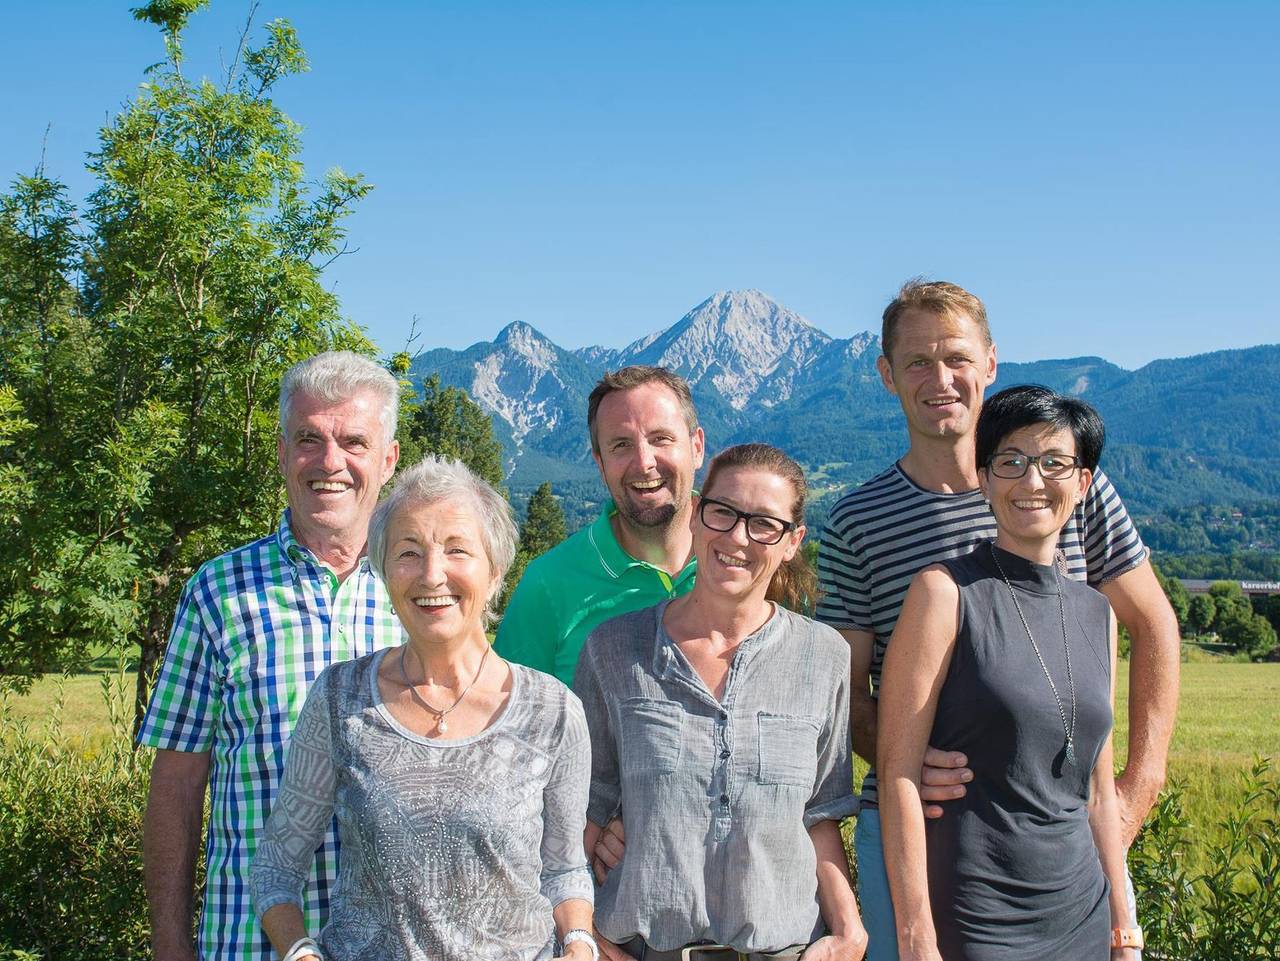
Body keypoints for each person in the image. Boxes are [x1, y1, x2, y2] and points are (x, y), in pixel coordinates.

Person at [816, 280, 1178, 960]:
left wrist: (1138, 786)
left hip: (1054, 838)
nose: (940, 379)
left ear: (989, 363)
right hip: (918, 827)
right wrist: (902, 757)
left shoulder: (1071, 488)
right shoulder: (856, 521)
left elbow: (1152, 625)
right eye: (918, 362)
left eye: (957, 357)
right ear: (887, 375)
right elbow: (842, 688)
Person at [250, 457, 596, 961]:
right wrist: (300, 952)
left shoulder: (553, 711)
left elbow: (564, 870)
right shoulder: (340, 699)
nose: (432, 575)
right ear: (384, 572)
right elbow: (275, 869)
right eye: (408, 553)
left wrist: (580, 944)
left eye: (457, 550)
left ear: (495, 571)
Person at [138, 351, 403, 961]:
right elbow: (177, 785)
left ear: (388, 460)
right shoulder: (218, 592)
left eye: (354, 442)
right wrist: (170, 945)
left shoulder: (423, 594)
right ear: (283, 454)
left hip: (396, 946)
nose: (330, 462)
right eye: (309, 439)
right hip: (249, 943)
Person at [576, 443, 867, 961]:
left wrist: (849, 931)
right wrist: (584, 937)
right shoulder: (615, 649)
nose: (737, 537)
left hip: (784, 950)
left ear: (793, 542)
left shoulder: (824, 657)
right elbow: (580, 812)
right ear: (695, 514)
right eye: (723, 512)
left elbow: (821, 812)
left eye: (764, 524)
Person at [878, 385, 1141, 959]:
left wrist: (1124, 926)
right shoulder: (944, 593)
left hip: (1084, 910)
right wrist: (916, 935)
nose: (1032, 480)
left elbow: (1099, 793)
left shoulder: (1099, 613)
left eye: (1054, 463)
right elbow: (898, 772)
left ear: (1083, 482)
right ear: (984, 478)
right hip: (978, 913)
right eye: (1011, 461)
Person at [496, 366, 705, 687]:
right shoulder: (548, 584)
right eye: (621, 445)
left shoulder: (749, 560)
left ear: (697, 447)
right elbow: (509, 710)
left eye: (660, 439)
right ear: (600, 463)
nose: (644, 462)